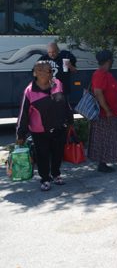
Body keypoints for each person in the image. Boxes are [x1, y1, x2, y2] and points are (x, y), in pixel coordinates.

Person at [16, 61, 73, 191]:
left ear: (51, 73)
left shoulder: (58, 84)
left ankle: (56, 174)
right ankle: (45, 179)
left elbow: (66, 104)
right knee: (42, 155)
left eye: (46, 70)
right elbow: (23, 114)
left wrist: (70, 121)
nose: (42, 73)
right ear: (34, 73)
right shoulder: (29, 91)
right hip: (40, 131)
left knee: (58, 153)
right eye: (39, 70)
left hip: (59, 127)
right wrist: (20, 134)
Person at [88, 50, 117, 173]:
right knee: (104, 139)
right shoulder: (100, 74)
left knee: (111, 137)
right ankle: (102, 163)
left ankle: (115, 157)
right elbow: (98, 93)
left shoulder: (107, 74)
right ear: (109, 61)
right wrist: (107, 110)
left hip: (113, 111)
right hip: (104, 114)